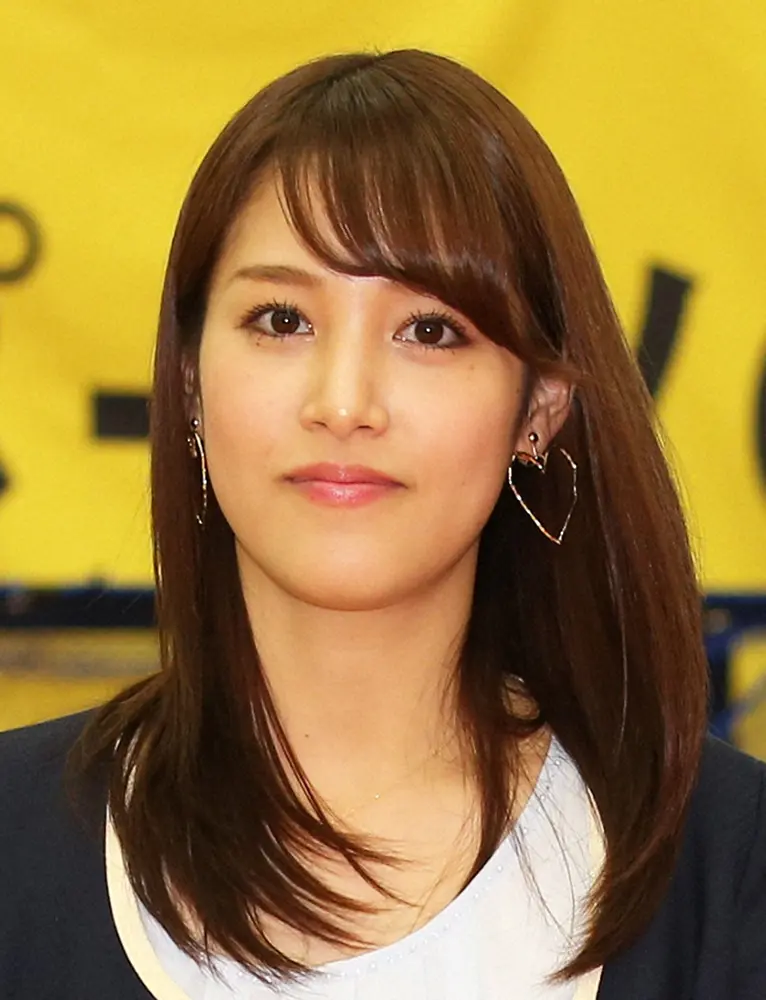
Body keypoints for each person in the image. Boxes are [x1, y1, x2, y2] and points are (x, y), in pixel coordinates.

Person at [0, 47, 764, 1000]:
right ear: (189, 381)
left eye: (430, 330)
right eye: (282, 320)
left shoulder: (730, 869)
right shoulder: (17, 846)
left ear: (539, 408)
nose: (343, 402)